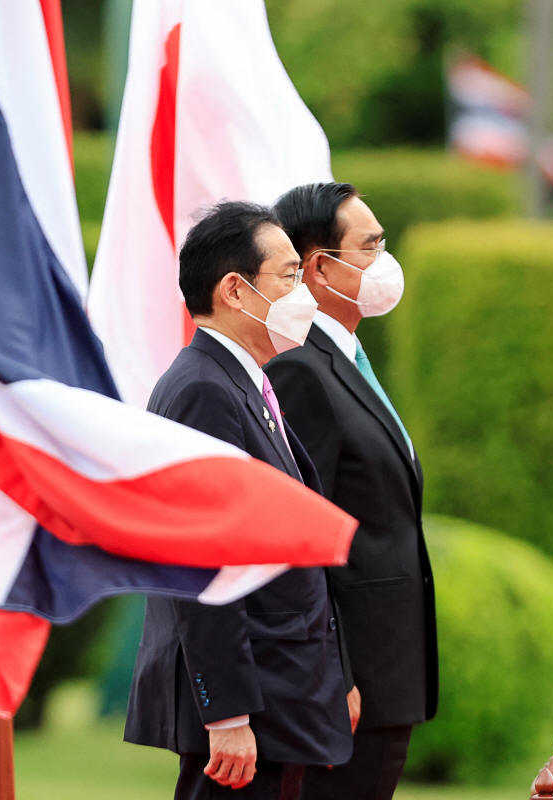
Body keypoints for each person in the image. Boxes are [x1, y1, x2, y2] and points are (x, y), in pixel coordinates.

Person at [124, 201, 355, 800]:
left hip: (284, 690)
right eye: (289, 276)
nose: (303, 293)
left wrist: (336, 672)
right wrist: (226, 713)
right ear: (234, 289)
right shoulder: (202, 390)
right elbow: (202, 558)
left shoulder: (243, 381)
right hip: (249, 701)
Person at [266, 183, 438, 800]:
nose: (385, 263)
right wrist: (333, 673)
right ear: (319, 268)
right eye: (370, 248)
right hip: (351, 681)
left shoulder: (348, 358)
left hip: (387, 668)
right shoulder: (300, 368)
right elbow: (300, 538)